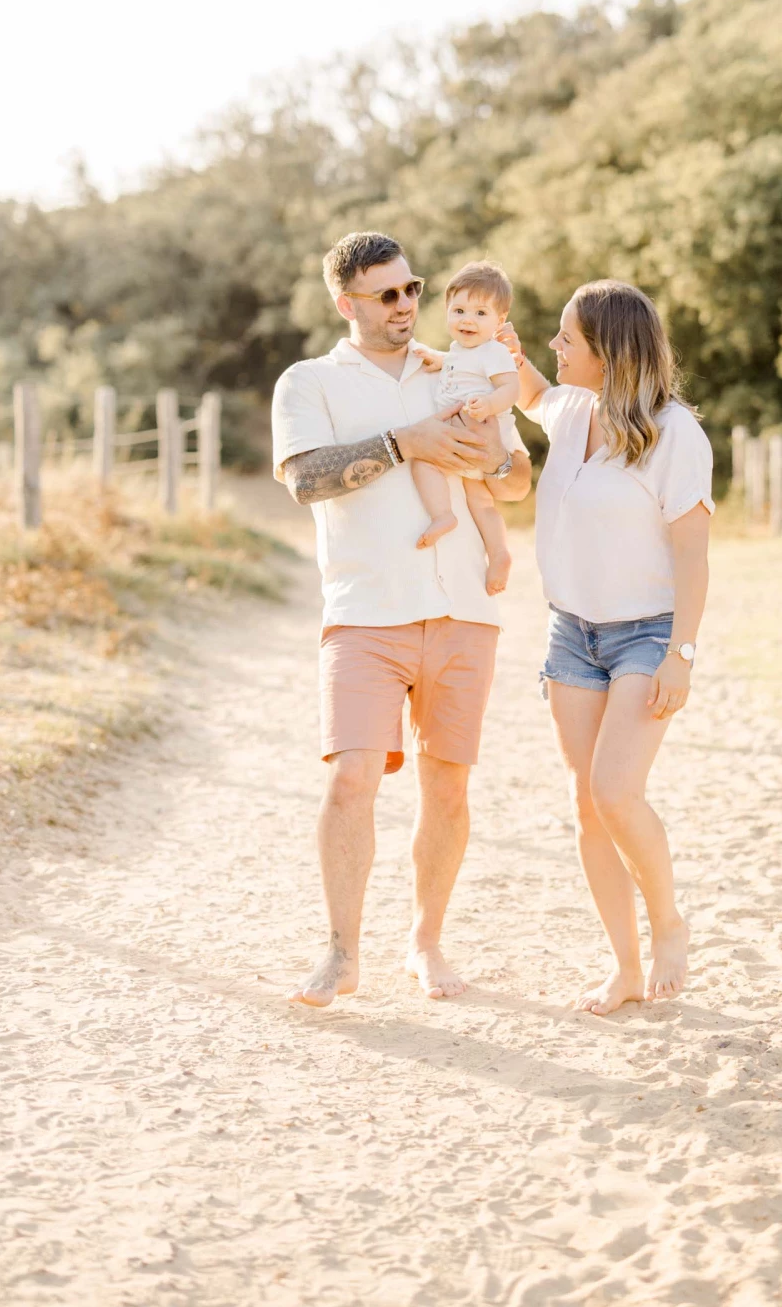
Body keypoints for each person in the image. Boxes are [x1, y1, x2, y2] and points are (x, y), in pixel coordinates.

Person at [272, 230, 531, 1007]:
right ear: (345, 303)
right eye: (387, 295)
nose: (407, 306)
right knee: (352, 779)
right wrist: (400, 443)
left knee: (447, 789)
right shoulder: (308, 381)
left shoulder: (456, 366)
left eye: (412, 288)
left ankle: (425, 944)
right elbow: (305, 481)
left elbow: (516, 480)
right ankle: (342, 952)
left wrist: (480, 458)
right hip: (364, 612)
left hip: (462, 609)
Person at [501, 280, 713, 1015]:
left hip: (646, 634)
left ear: (609, 351)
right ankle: (624, 967)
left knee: (615, 792)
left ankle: (670, 925)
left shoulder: (674, 431)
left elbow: (692, 555)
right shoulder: (567, 410)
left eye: (568, 339)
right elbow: (528, 389)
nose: (556, 349)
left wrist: (679, 655)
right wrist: (501, 344)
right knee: (588, 807)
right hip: (571, 634)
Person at [409, 259, 520, 595]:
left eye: (480, 314)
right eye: (458, 311)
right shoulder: (460, 351)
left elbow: (511, 389)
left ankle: (443, 514)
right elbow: (459, 364)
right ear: (446, 312)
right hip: (466, 437)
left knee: (422, 462)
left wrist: (490, 404)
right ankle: (499, 553)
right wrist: (438, 360)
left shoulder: (496, 352)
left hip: (476, 430)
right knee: (481, 501)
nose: (467, 320)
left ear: (499, 321)